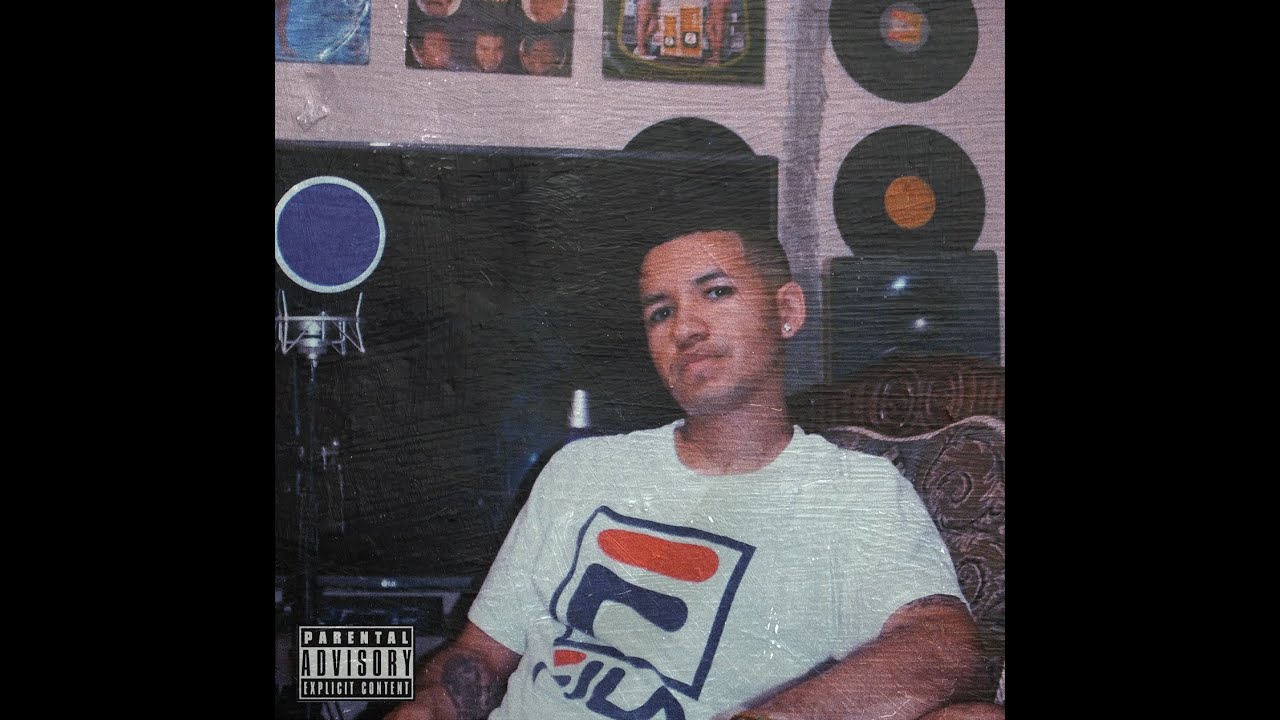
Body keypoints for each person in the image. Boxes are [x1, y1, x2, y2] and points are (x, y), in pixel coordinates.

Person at [384, 221, 983, 720]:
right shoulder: (581, 468)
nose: (685, 328)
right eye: (660, 312)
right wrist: (430, 704)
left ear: (787, 311)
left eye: (715, 292)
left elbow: (943, 646)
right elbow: (480, 658)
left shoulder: (856, 492)